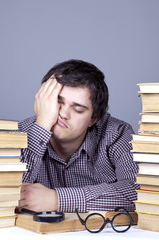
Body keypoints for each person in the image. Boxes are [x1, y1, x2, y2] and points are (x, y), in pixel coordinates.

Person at [18, 59, 139, 213]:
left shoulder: (117, 134)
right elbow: (4, 193)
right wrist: (42, 125)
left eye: (77, 109)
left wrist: (56, 199)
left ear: (94, 118)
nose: (63, 114)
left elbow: (137, 191)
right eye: (57, 102)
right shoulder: (22, 132)